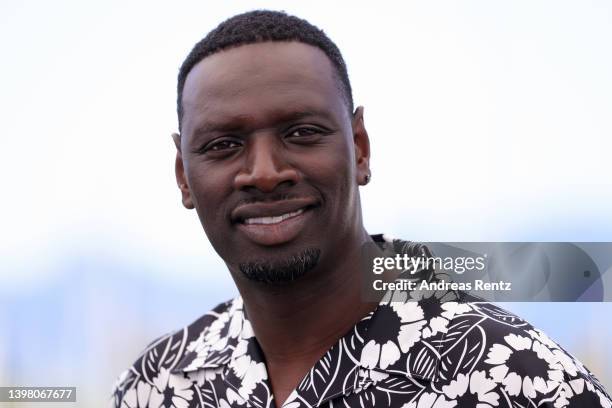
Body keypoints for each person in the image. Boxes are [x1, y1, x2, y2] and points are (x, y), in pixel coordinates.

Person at [111, 10, 611, 408]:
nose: (264, 172)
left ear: (360, 148)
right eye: (223, 144)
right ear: (183, 176)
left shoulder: (510, 375)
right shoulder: (157, 385)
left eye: (302, 133)